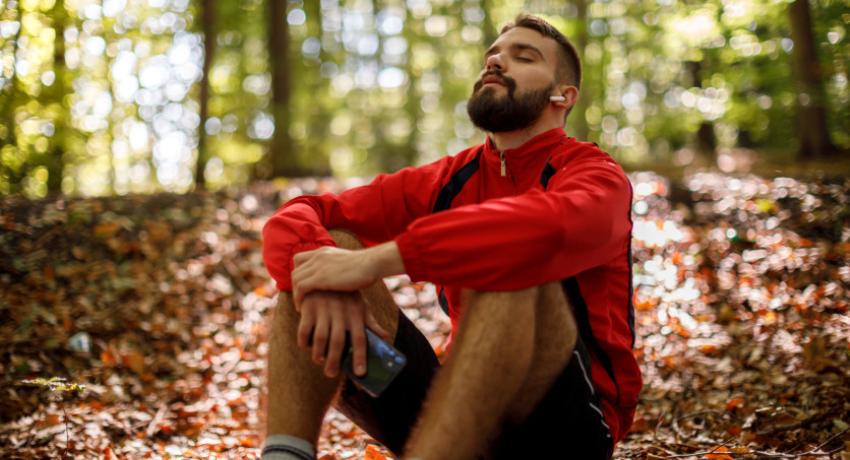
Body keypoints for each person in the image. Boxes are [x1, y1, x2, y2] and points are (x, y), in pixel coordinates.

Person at [260, 13, 640, 460]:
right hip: (454, 420)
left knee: (512, 268)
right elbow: (306, 212)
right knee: (322, 251)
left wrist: (376, 261)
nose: (496, 63)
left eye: (523, 56)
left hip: (566, 427)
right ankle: (285, 454)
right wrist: (326, 276)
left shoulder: (595, 175)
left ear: (563, 95)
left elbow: (547, 229)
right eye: (493, 55)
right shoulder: (450, 178)